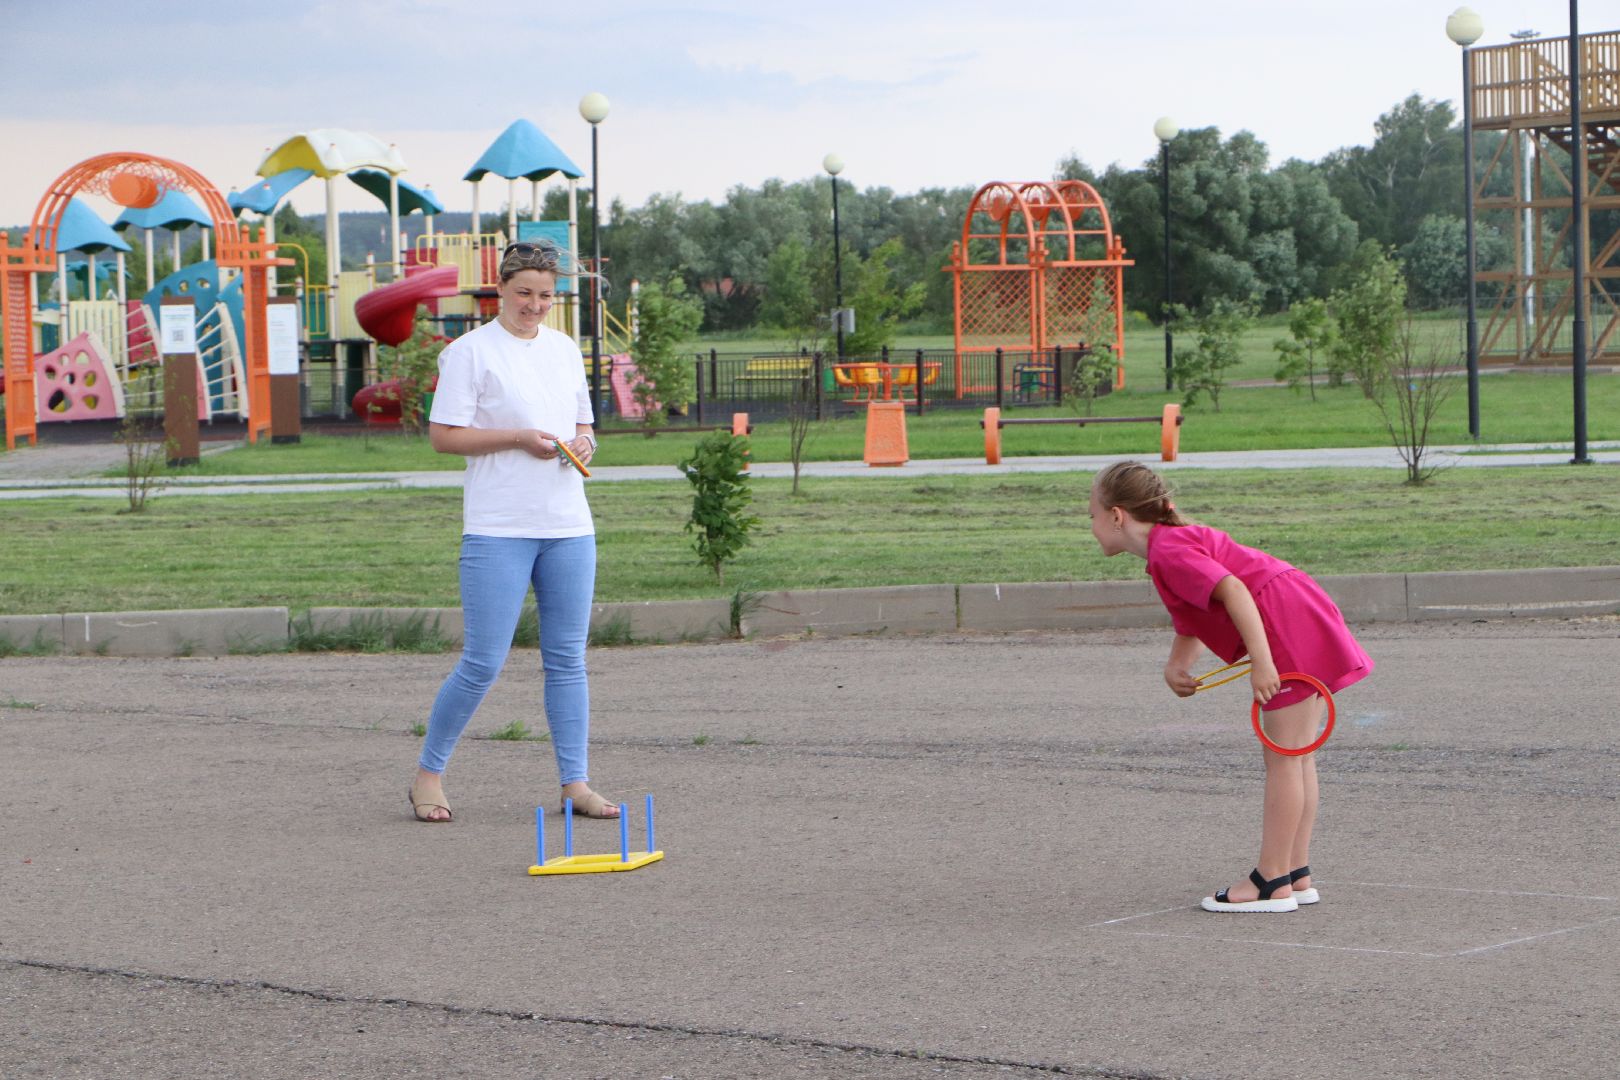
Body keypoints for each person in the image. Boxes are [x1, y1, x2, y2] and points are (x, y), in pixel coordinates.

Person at [1088, 461, 1372, 912]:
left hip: (1283, 620)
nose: (1092, 526)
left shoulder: (1169, 552)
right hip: (1292, 608)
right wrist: (1176, 665)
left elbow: (1235, 591)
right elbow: (1195, 617)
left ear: (1117, 516)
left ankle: (1270, 880)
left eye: (1093, 515)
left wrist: (1263, 664)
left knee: (1284, 757)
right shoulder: (1168, 548)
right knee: (1295, 755)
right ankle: (1295, 873)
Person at [407, 240, 619, 823]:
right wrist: (519, 437)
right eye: (524, 293)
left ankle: (574, 784)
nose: (535, 305)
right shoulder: (469, 353)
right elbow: (445, 437)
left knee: (568, 660)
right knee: (482, 661)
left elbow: (584, 422)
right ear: (500, 289)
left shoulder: (564, 349)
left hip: (569, 526)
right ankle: (429, 775)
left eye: (546, 296)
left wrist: (584, 442)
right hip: (498, 528)